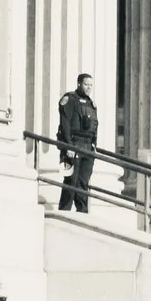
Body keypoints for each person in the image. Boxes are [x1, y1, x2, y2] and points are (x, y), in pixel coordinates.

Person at [57, 71, 100, 212]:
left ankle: (82, 214)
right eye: (86, 84)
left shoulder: (91, 104)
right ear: (79, 84)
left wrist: (94, 147)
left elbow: (95, 127)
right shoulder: (70, 99)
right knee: (71, 181)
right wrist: (68, 146)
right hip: (73, 146)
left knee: (83, 184)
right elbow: (65, 125)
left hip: (87, 148)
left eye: (91, 85)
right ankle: (64, 212)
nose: (89, 88)